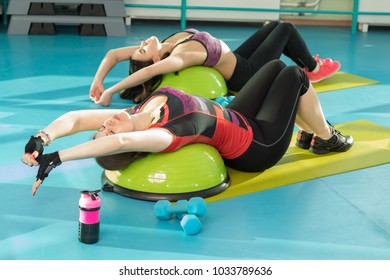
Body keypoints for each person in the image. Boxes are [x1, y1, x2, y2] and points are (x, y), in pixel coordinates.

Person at [23, 60, 352, 196]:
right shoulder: (163, 134)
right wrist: (58, 158)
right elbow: (119, 140)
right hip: (256, 145)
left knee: (275, 67)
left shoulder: (134, 111)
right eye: (107, 133)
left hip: (234, 115)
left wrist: (42, 138)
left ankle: (311, 128)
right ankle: (325, 137)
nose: (107, 124)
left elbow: (77, 119)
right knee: (294, 76)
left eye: (103, 128)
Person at [89, 20, 340, 106]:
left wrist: (98, 82)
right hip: (245, 75)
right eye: (142, 51)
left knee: (273, 26)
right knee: (285, 28)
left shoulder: (163, 46)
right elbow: (148, 73)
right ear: (154, 60)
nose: (141, 44)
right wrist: (111, 91)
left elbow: (112, 54)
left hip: (237, 58)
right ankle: (314, 69)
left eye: (139, 48)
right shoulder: (179, 57)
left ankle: (308, 62)